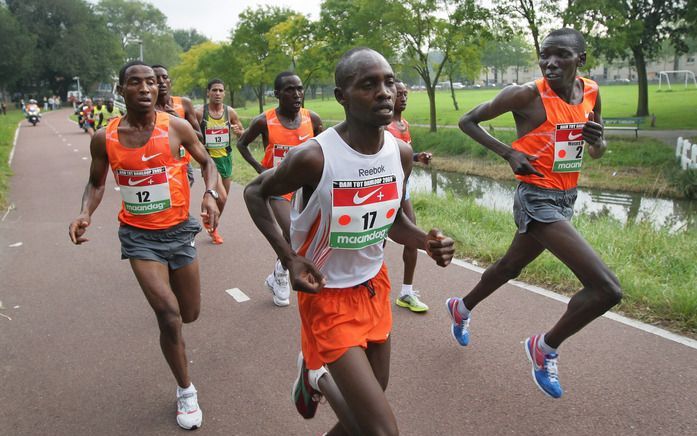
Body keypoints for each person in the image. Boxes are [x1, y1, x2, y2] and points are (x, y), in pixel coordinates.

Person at [244, 48, 455, 435]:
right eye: (368, 85)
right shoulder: (314, 157)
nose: (384, 92)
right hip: (325, 293)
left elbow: (392, 224)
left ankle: (315, 378)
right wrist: (289, 258)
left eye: (389, 81)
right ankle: (317, 375)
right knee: (381, 430)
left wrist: (426, 241)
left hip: (374, 286)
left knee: (368, 406)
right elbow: (256, 193)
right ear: (342, 96)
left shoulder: (401, 153)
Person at [447, 28, 622, 399]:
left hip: (566, 197)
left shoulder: (591, 91)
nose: (550, 63)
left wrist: (598, 141)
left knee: (510, 267)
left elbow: (597, 150)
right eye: (545, 55)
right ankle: (544, 347)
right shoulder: (525, 94)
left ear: (581, 60)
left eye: (561, 55)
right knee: (606, 289)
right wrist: (508, 153)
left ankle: (461, 307)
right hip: (535, 197)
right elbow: (468, 121)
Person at [68, 61, 221, 430]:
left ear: (157, 88)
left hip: (179, 232)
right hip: (139, 237)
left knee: (189, 313)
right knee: (168, 316)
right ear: (121, 90)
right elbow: (96, 182)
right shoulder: (104, 137)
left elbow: (207, 162)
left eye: (150, 82)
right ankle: (185, 390)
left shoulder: (177, 127)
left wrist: (212, 194)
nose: (144, 88)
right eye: (134, 83)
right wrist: (85, 212)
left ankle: (178, 350)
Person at [237, 71, 323, 306]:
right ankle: (283, 274)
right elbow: (241, 144)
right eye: (289, 90)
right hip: (278, 188)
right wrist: (260, 169)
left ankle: (277, 271)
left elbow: (327, 150)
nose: (296, 94)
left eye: (299, 89)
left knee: (304, 235)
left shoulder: (312, 119)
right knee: (292, 232)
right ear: (277, 94)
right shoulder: (264, 121)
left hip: (306, 189)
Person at [386, 80, 432, 313]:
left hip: (404, 188)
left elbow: (404, 155)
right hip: (383, 188)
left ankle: (406, 291)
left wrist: (417, 157)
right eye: (399, 93)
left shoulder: (404, 124)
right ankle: (365, 283)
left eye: (406, 94)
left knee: (412, 234)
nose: (403, 98)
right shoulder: (383, 126)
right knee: (376, 239)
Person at [195, 78, 245, 244]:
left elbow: (242, 132)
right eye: (214, 90)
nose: (217, 93)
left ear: (224, 93)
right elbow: (190, 135)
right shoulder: (199, 113)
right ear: (208, 92)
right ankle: (211, 222)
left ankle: (212, 224)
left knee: (223, 200)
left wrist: (239, 131)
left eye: (220, 91)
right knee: (221, 197)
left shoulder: (229, 112)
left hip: (226, 159)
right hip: (209, 162)